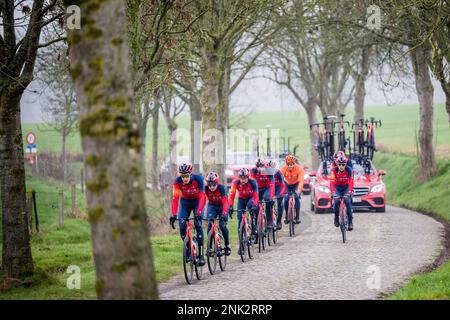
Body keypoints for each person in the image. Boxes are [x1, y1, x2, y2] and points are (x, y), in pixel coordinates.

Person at [169, 163, 206, 265]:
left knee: (198, 224)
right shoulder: (177, 181)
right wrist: (173, 214)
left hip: (197, 202)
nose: (184, 178)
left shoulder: (198, 179)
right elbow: (175, 198)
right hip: (185, 203)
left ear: (190, 173)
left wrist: (198, 212)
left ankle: (201, 254)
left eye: (186, 175)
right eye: (182, 176)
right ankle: (189, 249)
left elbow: (203, 196)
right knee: (181, 226)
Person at [228, 167, 259, 252]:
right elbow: (232, 195)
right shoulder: (235, 183)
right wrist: (230, 206)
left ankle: (253, 225)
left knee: (251, 206)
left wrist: (255, 205)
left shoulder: (253, 182)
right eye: (241, 178)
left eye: (245, 177)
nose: (243, 180)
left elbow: (256, 195)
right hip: (241, 200)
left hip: (251, 198)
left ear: (248, 177)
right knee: (239, 220)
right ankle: (241, 245)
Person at [205, 172, 231, 256]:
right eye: (209, 185)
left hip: (222, 207)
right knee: (210, 224)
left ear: (217, 183)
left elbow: (225, 202)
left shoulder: (221, 188)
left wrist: (223, 214)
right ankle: (210, 247)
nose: (211, 187)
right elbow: (202, 200)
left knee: (222, 225)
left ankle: (227, 245)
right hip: (212, 206)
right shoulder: (205, 188)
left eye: (213, 185)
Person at [330, 155, 354, 231]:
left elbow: (351, 182)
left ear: (346, 164)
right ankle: (336, 217)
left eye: (343, 164)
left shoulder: (349, 170)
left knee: (347, 201)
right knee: (336, 202)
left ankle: (350, 222)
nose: (341, 166)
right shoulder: (334, 170)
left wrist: (349, 192)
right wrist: (333, 192)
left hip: (346, 187)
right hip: (337, 187)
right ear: (337, 164)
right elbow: (332, 183)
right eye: (339, 164)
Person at [250, 157, 275, 228]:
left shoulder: (269, 170)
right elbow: (252, 183)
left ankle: (270, 221)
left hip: (267, 188)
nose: (260, 168)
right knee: (256, 205)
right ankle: (257, 222)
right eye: (258, 166)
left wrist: (271, 197)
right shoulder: (253, 170)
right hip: (257, 189)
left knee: (267, 199)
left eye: (262, 166)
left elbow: (272, 184)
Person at [280, 154, 303, 224]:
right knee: (286, 198)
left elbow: (301, 181)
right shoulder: (283, 169)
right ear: (286, 164)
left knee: (296, 197)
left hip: (295, 184)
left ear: (294, 163)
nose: (290, 166)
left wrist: (298, 191)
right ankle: (287, 216)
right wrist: (282, 191)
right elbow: (281, 181)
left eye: (292, 164)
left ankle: (297, 217)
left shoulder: (298, 169)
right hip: (287, 184)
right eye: (288, 164)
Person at [267, 159, 286, 230]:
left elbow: (283, 184)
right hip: (270, 188)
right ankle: (269, 220)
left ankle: (278, 221)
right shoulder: (266, 173)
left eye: (273, 168)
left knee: (280, 204)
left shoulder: (278, 172)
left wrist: (282, 193)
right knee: (267, 202)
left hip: (278, 188)